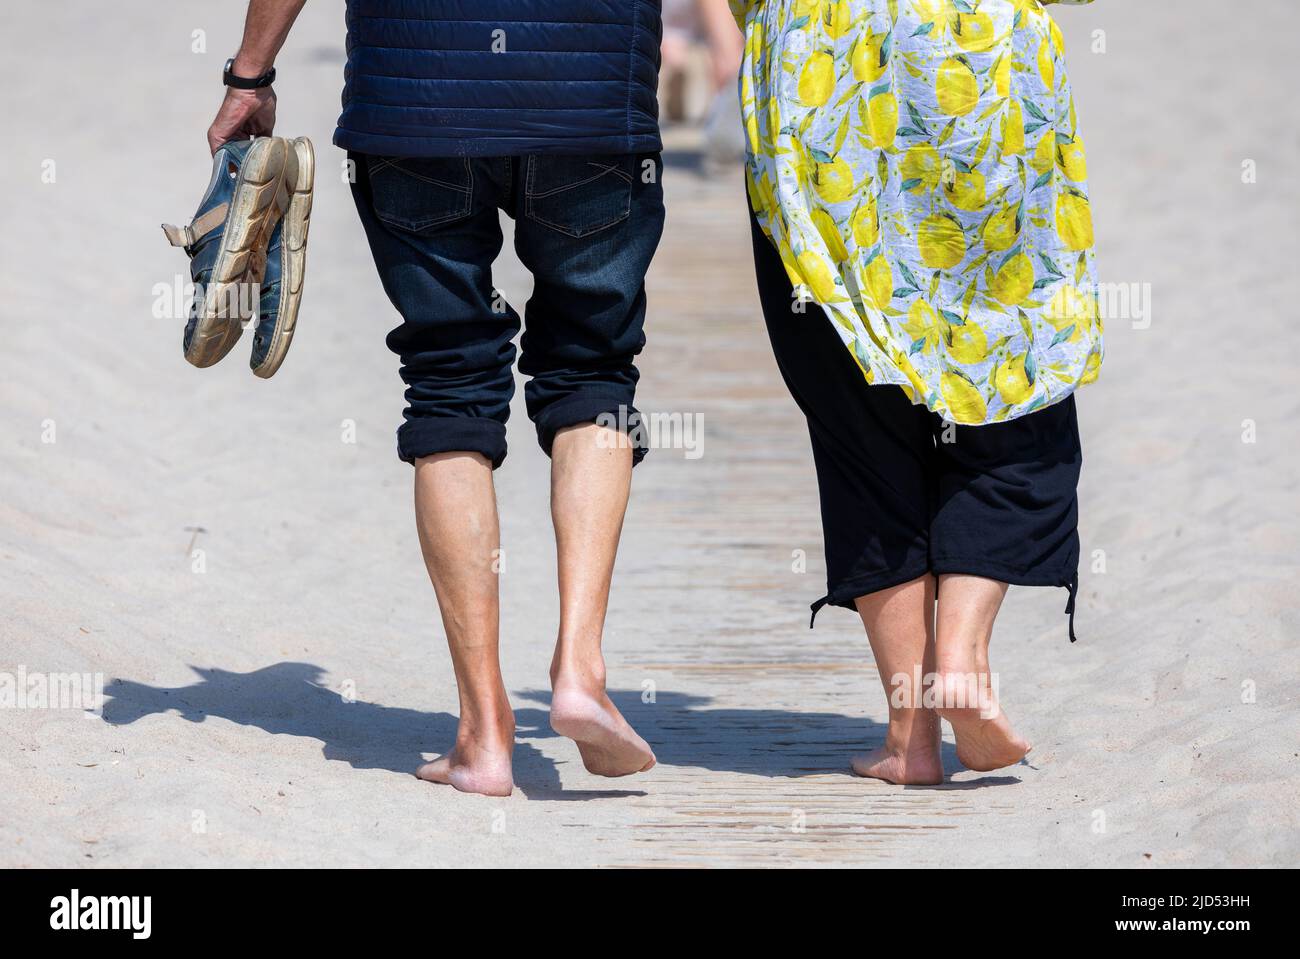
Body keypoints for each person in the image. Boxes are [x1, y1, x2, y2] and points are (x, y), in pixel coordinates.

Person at [206, 0, 666, 796]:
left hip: (415, 100)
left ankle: (486, 734)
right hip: (588, 96)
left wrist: (250, 74)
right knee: (594, 371)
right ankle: (580, 668)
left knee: (449, 380)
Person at [733, 0, 1101, 783]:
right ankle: (962, 657)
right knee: (1007, 370)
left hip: (820, 77)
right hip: (977, 63)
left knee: (859, 416)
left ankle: (912, 735)